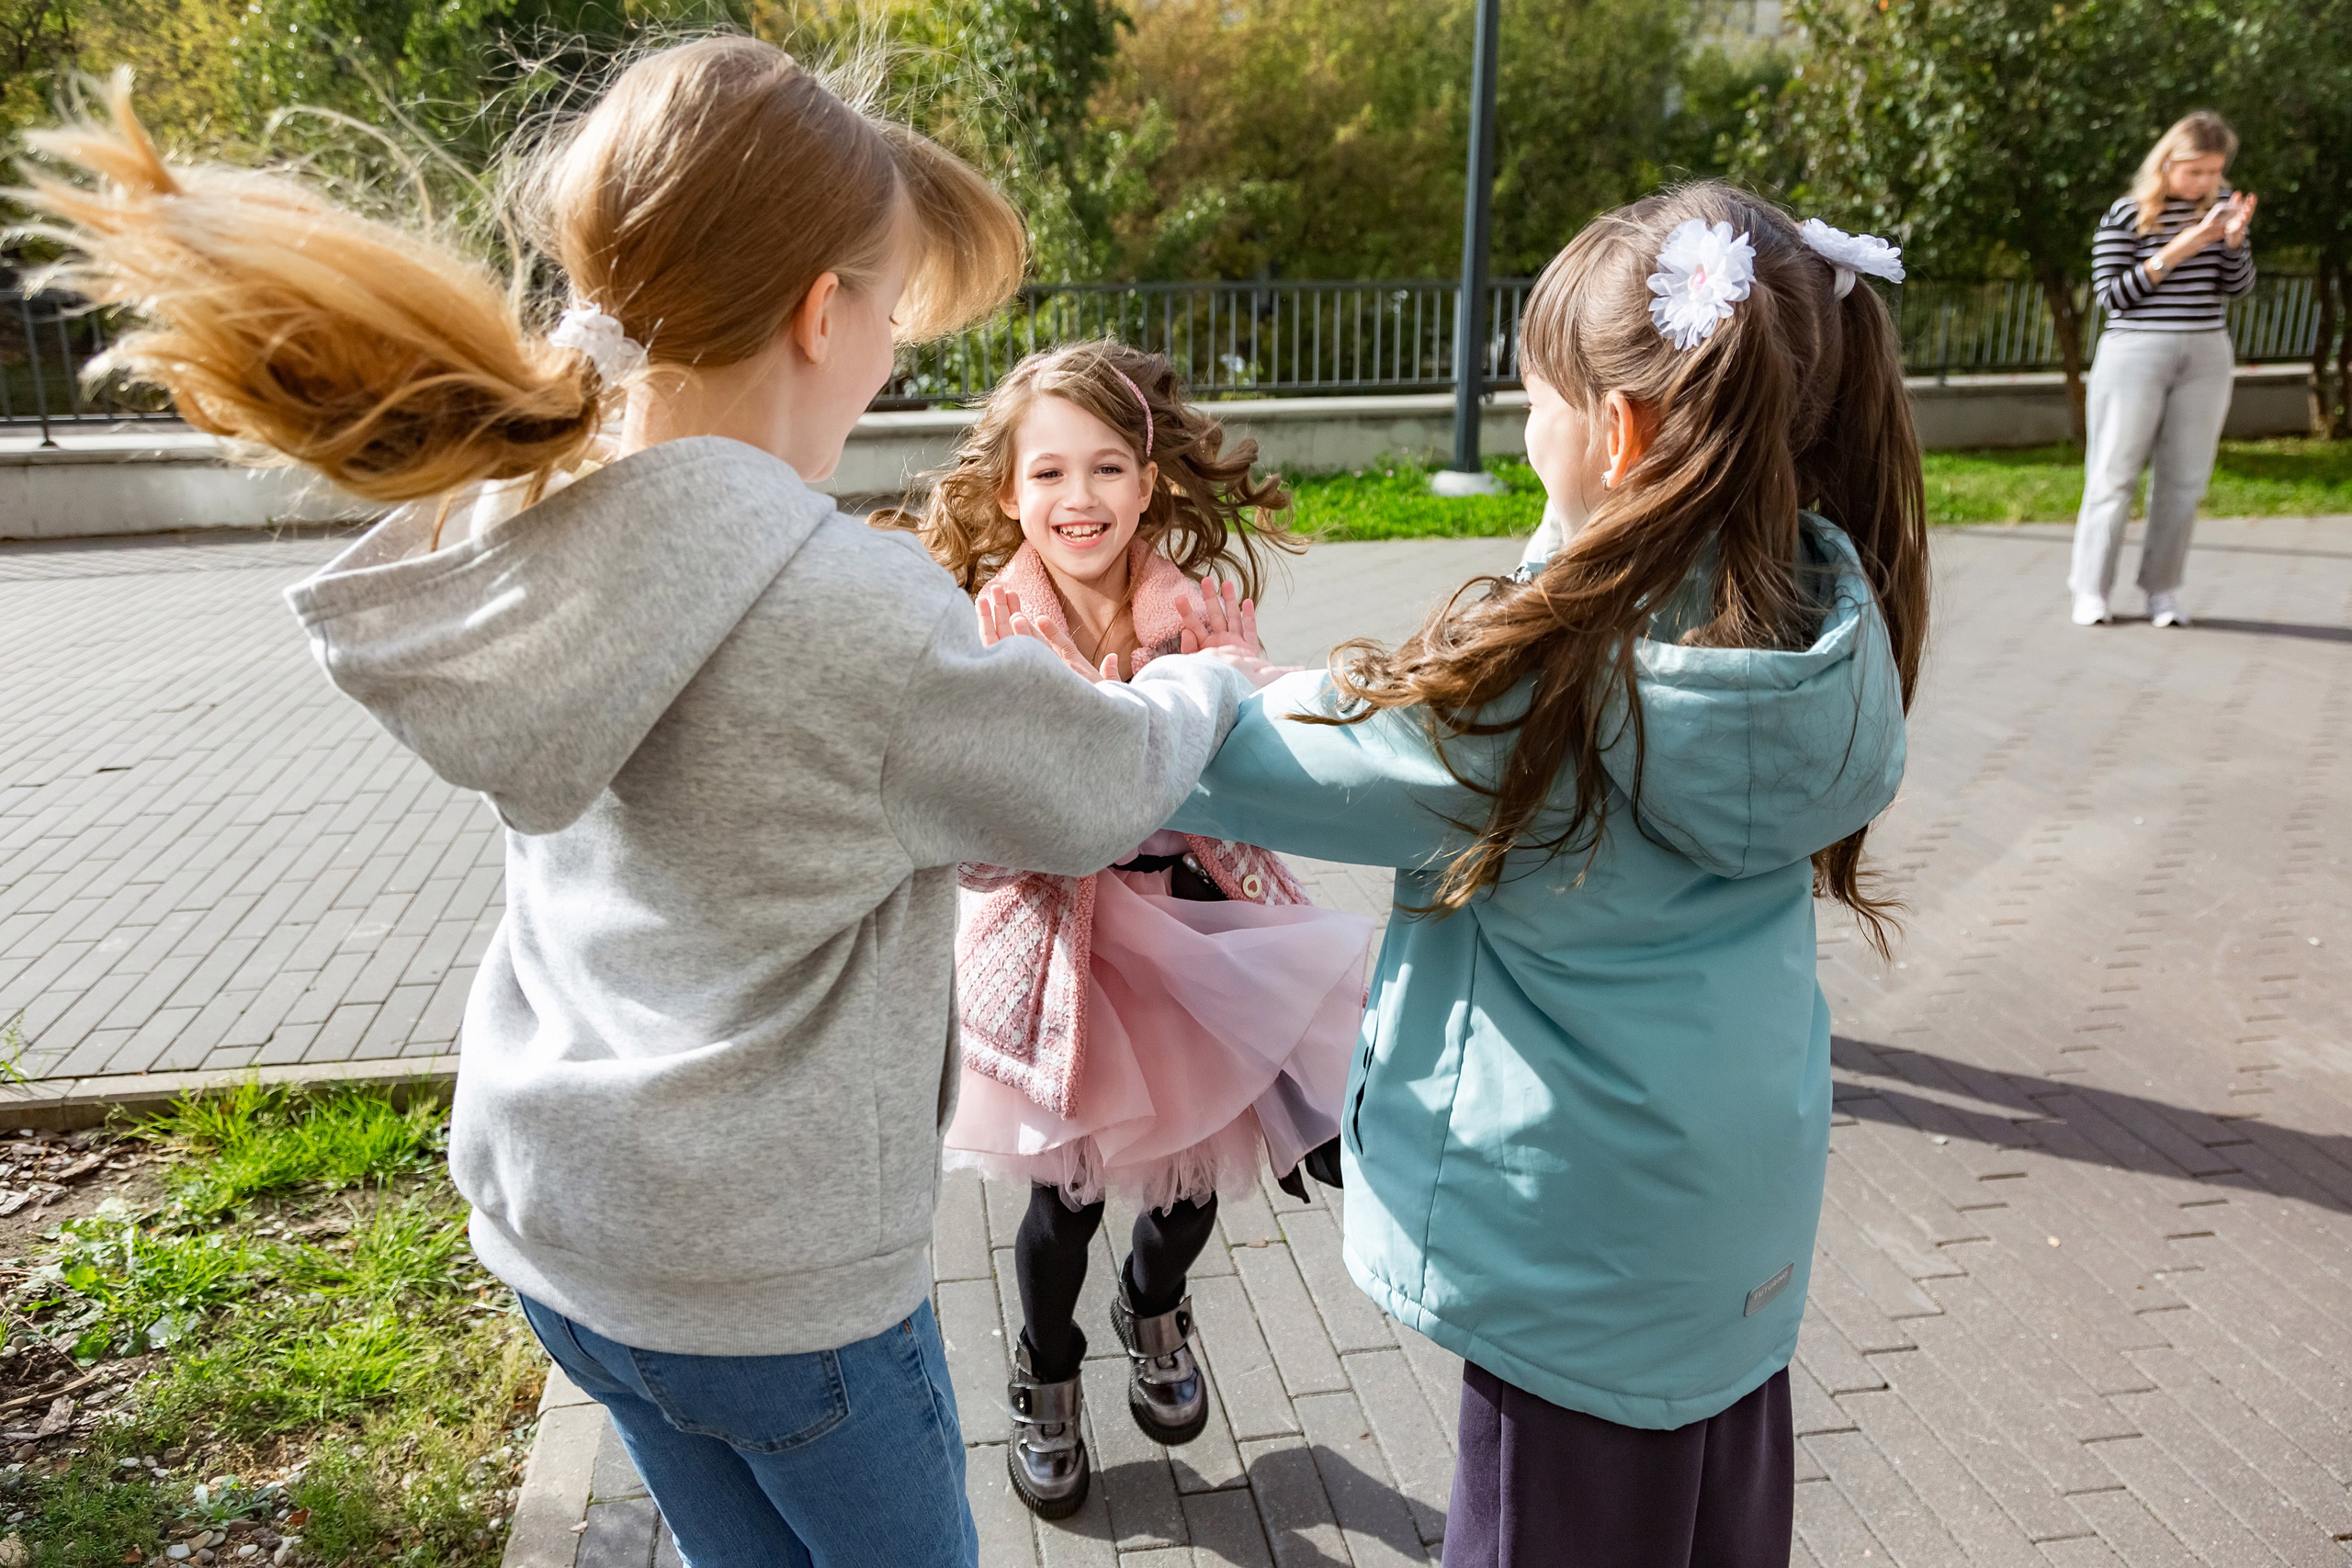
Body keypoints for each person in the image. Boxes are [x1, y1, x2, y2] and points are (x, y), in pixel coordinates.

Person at [22, 44, 1269, 1568]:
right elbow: (1100, 784)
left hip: (564, 1234)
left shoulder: (525, 510)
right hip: (771, 1282)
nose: (890, 354)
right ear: (824, 313)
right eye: (890, 312)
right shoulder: (849, 609)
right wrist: (1207, 689)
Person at [1155, 186, 1929, 1565]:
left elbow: (1284, 764)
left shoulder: (1547, 689)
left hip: (1575, 1262)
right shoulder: (1822, 610)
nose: (1519, 426)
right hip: (1729, 1252)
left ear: (1617, 430)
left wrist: (1185, 688)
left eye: (1531, 399)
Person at [879, 341, 1374, 1517]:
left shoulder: (1199, 607)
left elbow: (1261, 706)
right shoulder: (987, 626)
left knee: (1193, 1173)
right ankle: (1045, 1373)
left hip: (1200, 929)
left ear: (1147, 485)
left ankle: (1155, 1306)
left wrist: (1323, 697)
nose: (1079, 499)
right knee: (1069, 1198)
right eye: (1048, 475)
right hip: (1067, 950)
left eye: (1106, 469)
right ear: (1009, 493)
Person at [2069, 110, 2256, 628]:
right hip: (2135, 350)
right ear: (2168, 163)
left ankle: (2163, 590)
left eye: (2215, 172)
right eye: (2195, 171)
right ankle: (2091, 589)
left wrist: (2234, 241)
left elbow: (2238, 289)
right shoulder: (2126, 215)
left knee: (2184, 480)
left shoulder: (2220, 213)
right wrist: (2181, 247)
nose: (2206, 182)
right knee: (2113, 474)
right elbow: (2113, 296)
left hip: (2205, 352)